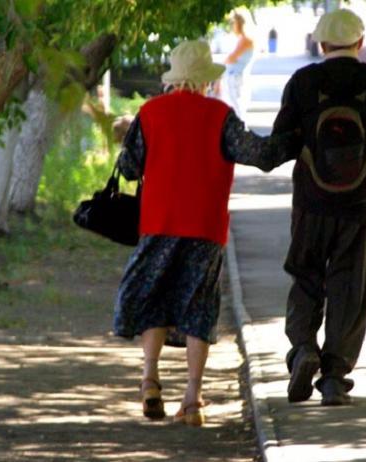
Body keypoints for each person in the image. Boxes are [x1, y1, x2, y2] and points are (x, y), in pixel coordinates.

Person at [113, 40, 296, 426]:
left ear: (174, 79)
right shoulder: (220, 116)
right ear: (205, 80)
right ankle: (193, 400)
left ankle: (149, 379)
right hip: (205, 227)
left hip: (159, 222)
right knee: (199, 307)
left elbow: (128, 168)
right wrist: (294, 137)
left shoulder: (150, 112)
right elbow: (261, 155)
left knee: (153, 299)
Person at [271, 9, 366, 406]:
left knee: (305, 275)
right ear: (360, 43)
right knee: (350, 287)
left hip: (311, 201)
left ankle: (303, 349)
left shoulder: (303, 82)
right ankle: (333, 378)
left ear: (321, 44)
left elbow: (281, 141)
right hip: (360, 202)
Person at [223, 13, 254, 118]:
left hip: (236, 76)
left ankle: (239, 130)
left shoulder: (244, 40)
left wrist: (226, 60)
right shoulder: (241, 40)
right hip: (235, 75)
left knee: (236, 107)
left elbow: (231, 58)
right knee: (234, 106)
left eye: (233, 23)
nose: (232, 26)